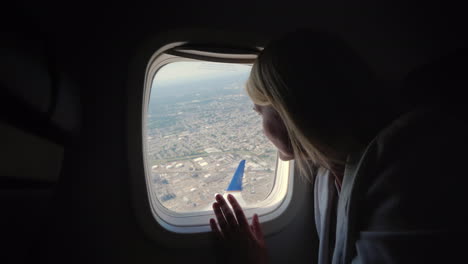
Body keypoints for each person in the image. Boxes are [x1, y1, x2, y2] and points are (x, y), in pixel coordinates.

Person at [209, 29, 468, 264]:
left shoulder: (408, 176)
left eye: (259, 112)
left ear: (291, 112)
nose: (261, 128)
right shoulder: (329, 175)